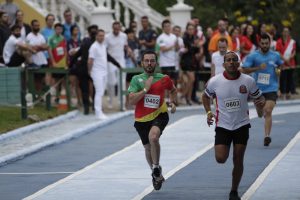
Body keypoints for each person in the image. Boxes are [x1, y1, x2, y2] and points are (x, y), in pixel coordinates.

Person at [202, 51, 265, 200]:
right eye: (228, 60)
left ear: (238, 63)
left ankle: (234, 191)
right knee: (221, 158)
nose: (231, 62)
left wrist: (260, 104)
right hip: (223, 125)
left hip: (242, 125)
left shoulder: (248, 81)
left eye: (234, 60)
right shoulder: (215, 81)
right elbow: (205, 96)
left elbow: (259, 98)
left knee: (238, 159)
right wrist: (208, 113)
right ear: (223, 65)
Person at [128, 50, 177, 190]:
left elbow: (173, 90)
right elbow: (132, 101)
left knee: (153, 137)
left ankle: (155, 167)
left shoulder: (164, 78)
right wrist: (145, 89)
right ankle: (156, 173)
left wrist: (173, 102)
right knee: (148, 148)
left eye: (152, 60)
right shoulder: (136, 79)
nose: (149, 63)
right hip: (141, 119)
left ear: (156, 63)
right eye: (147, 61)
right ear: (142, 63)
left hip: (160, 114)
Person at [242, 33, 284, 146]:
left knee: (268, 111)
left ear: (270, 43)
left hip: (271, 88)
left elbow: (280, 66)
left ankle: (267, 136)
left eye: (267, 43)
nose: (265, 45)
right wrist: (258, 68)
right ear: (259, 43)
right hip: (257, 89)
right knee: (261, 113)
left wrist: (278, 71)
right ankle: (259, 110)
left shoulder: (275, 55)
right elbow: (244, 70)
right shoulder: (253, 56)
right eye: (262, 43)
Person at [88, 29, 121, 119]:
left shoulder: (103, 46)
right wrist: (89, 72)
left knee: (101, 92)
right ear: (96, 36)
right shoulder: (94, 47)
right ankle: (98, 112)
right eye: (100, 35)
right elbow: (90, 60)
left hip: (104, 72)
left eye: (103, 36)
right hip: (96, 72)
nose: (101, 37)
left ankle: (99, 111)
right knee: (99, 92)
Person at [70, 25, 98, 115]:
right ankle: (93, 105)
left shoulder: (85, 43)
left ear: (89, 33)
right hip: (93, 69)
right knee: (94, 88)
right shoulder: (97, 44)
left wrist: (70, 65)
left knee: (85, 89)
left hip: (85, 68)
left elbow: (76, 55)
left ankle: (87, 107)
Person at [276, 26, 296, 100]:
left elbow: (294, 52)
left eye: (287, 31)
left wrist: (289, 58)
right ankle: (283, 93)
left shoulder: (292, 41)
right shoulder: (278, 41)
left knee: (290, 79)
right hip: (282, 63)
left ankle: (289, 93)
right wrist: (284, 59)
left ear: (289, 32)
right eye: (284, 31)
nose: (285, 33)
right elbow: (278, 52)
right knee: (283, 78)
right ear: (282, 32)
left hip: (291, 63)